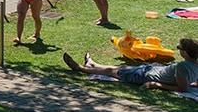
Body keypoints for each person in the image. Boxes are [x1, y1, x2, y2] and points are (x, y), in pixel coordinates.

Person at [62, 38, 198, 93]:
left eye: (180, 48)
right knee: (121, 68)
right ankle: (93, 64)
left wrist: (156, 85)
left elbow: (183, 88)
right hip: (151, 70)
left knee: (114, 72)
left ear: (185, 52)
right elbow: (191, 81)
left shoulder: (183, 66)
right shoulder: (194, 64)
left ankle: (80, 68)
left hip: (145, 76)